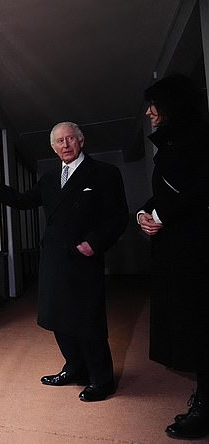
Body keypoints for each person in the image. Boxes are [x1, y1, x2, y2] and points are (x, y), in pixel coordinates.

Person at [0, 121, 128, 402]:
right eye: (59, 141)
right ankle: (75, 369)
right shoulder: (48, 178)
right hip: (54, 261)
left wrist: (94, 244)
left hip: (83, 258)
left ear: (81, 141)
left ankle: (102, 380)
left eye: (70, 138)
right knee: (58, 318)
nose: (65, 144)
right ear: (53, 147)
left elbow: (118, 217)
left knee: (88, 321)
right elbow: (23, 201)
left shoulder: (105, 173)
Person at [137, 73, 209, 440]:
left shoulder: (198, 138)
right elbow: (164, 194)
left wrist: (162, 215)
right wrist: (143, 214)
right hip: (179, 250)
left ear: (171, 106)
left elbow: (200, 189)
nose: (149, 112)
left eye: (154, 105)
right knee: (190, 325)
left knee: (199, 326)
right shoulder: (174, 141)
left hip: (196, 252)